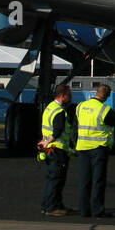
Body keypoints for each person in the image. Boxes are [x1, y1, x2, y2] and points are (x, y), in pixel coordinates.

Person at [76, 83, 115, 218]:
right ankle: (97, 210)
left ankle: (83, 210)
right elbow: (114, 122)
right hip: (98, 148)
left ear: (96, 92)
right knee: (98, 180)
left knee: (84, 180)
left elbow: (75, 125)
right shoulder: (105, 110)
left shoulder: (80, 106)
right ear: (107, 96)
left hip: (82, 146)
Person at [38, 83, 74, 216]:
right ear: (63, 96)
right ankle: (52, 207)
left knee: (51, 179)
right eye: (69, 95)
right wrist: (49, 140)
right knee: (57, 180)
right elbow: (57, 131)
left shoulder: (49, 108)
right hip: (58, 149)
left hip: (49, 149)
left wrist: (44, 142)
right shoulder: (59, 111)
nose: (71, 97)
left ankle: (50, 204)